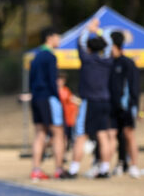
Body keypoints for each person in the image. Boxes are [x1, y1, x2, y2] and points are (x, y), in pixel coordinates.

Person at [69, 18, 116, 179]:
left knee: (81, 135)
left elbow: (79, 41)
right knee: (103, 135)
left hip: (89, 101)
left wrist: (89, 29)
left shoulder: (87, 59)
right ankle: (104, 169)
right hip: (105, 101)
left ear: (89, 48)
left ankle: (73, 170)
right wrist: (100, 32)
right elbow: (109, 44)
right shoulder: (107, 61)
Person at [28, 27, 70, 180]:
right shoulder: (50, 56)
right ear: (50, 38)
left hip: (36, 97)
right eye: (58, 37)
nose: (59, 40)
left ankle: (36, 169)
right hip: (48, 98)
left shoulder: (36, 56)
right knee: (58, 132)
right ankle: (59, 168)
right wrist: (57, 98)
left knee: (40, 133)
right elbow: (53, 81)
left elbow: (31, 80)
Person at [108, 31, 140, 178]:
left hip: (126, 106)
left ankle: (134, 165)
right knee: (115, 135)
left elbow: (134, 86)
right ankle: (120, 163)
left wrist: (134, 105)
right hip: (113, 108)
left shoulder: (127, 63)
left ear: (115, 46)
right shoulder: (109, 63)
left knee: (129, 135)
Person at [57, 73, 79, 152]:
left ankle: (62, 153)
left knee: (66, 136)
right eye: (59, 79)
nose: (60, 81)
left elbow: (72, 99)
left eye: (62, 80)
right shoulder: (55, 91)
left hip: (68, 117)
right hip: (58, 117)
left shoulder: (66, 90)